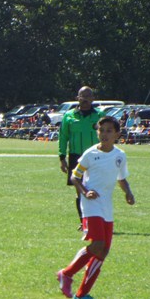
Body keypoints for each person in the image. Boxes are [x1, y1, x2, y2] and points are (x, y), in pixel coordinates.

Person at [57, 117, 135, 299]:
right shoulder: (90, 154)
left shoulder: (120, 155)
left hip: (106, 205)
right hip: (91, 204)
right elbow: (75, 176)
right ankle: (66, 273)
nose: (104, 134)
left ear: (117, 134)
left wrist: (128, 192)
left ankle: (82, 295)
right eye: (101, 130)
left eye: (109, 131)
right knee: (98, 243)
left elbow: (121, 178)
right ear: (97, 132)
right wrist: (85, 191)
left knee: (103, 251)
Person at [59, 86, 102, 225]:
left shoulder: (99, 115)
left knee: (97, 189)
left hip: (96, 157)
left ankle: (98, 220)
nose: (85, 99)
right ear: (77, 98)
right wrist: (62, 157)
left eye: (88, 96)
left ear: (93, 98)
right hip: (76, 156)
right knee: (80, 190)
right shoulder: (69, 116)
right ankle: (83, 222)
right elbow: (63, 137)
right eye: (83, 96)